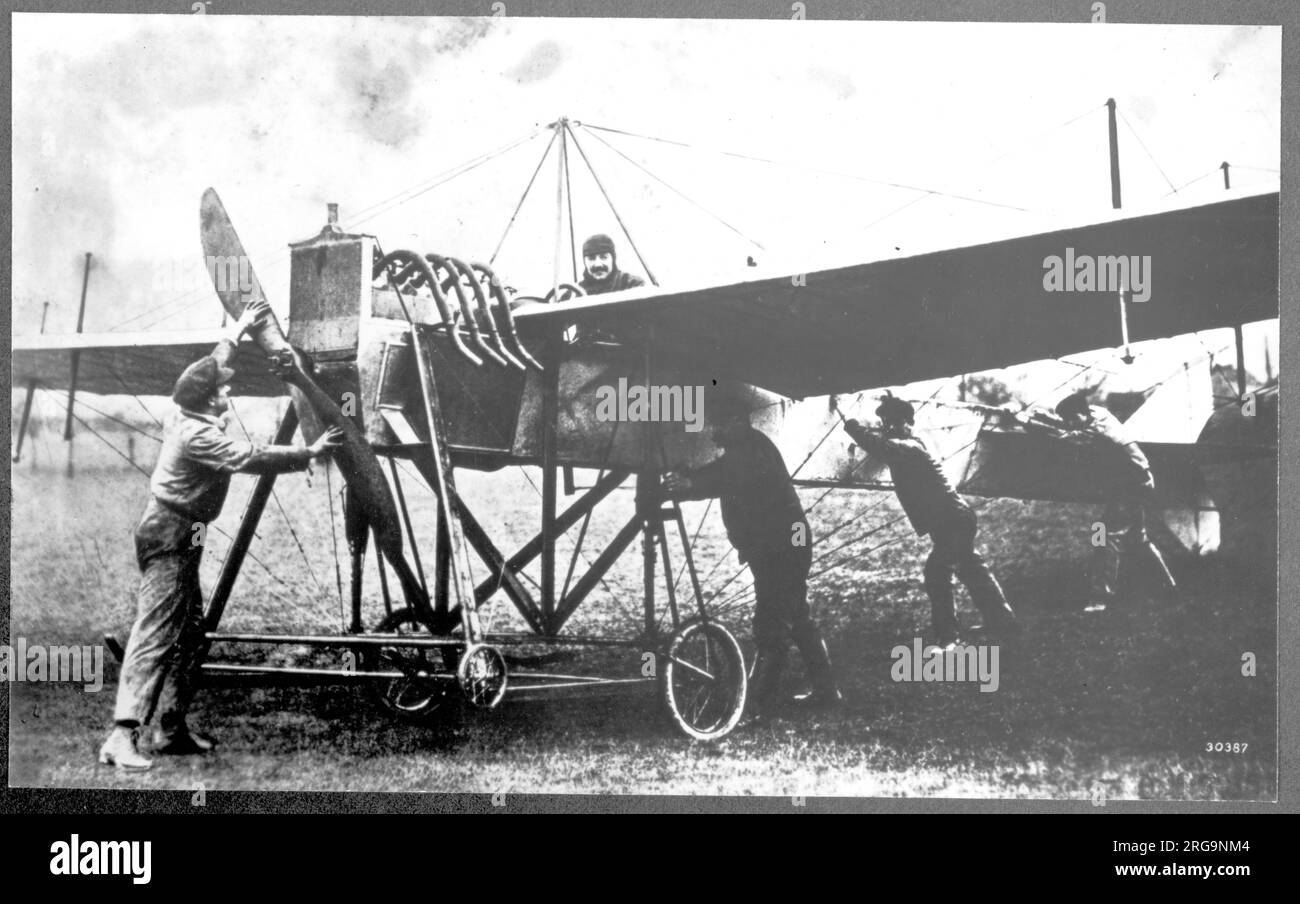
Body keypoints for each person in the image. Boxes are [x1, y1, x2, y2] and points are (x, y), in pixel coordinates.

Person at [98, 301, 342, 770]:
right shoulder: (199, 437)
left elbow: (216, 365)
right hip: (170, 533)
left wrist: (237, 329)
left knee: (190, 633)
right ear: (210, 399)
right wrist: (307, 451)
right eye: (223, 389)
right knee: (155, 632)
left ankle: (170, 728)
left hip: (184, 531)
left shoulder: (186, 406)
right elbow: (249, 456)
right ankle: (121, 736)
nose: (228, 389)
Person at [665, 399, 841, 721]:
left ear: (736, 421)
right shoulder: (750, 447)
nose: (715, 432)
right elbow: (723, 472)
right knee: (798, 618)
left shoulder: (750, 453)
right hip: (784, 545)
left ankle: (756, 706)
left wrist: (691, 483)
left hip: (783, 548)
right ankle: (827, 691)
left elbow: (731, 476)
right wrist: (691, 479)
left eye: (720, 424)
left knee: (771, 627)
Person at [843, 395, 1019, 648]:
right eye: (885, 422)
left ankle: (949, 639)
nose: (889, 427)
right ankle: (1003, 622)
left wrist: (852, 425)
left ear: (908, 423)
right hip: (952, 518)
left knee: (937, 572)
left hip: (952, 519)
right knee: (971, 567)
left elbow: (881, 448)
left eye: (894, 421)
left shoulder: (910, 447)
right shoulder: (907, 445)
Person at [1052, 390, 1176, 612]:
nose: (1070, 424)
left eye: (1072, 419)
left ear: (1083, 413)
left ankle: (1100, 599)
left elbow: (1070, 437)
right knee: (1138, 539)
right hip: (1139, 481)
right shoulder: (1098, 413)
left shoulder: (1100, 432)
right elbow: (1071, 427)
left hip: (1131, 485)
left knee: (1105, 537)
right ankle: (1169, 585)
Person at [578, 233, 646, 296]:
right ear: (584, 261)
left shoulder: (633, 285)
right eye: (591, 258)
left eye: (604, 257)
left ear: (613, 259)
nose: (598, 264)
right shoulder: (574, 293)